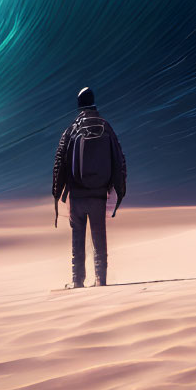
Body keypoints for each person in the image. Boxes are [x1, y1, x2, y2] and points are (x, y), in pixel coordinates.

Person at [52, 86, 127, 288]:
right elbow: (119, 159)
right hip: (98, 194)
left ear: (79, 105)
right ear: (94, 102)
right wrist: (119, 190)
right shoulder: (106, 127)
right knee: (99, 238)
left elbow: (59, 160)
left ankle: (77, 281)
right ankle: (101, 279)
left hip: (77, 194)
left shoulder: (71, 129)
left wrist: (57, 193)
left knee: (78, 238)